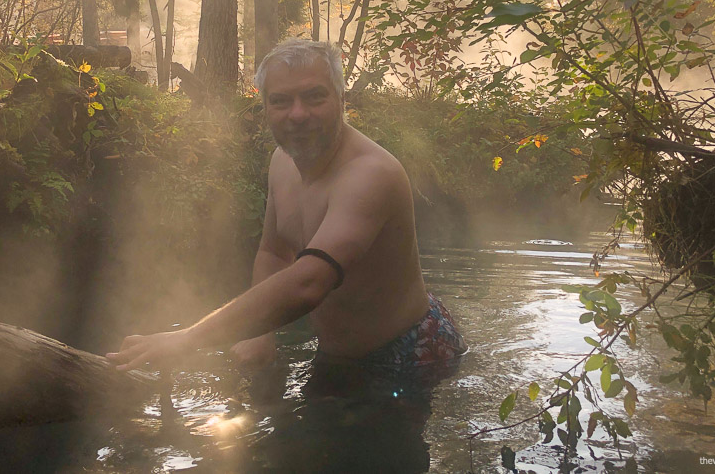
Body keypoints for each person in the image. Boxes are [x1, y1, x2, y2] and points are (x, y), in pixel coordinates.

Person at [107, 39, 467, 387]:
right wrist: (260, 334)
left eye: (314, 97)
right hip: (335, 355)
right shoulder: (282, 161)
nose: (297, 114)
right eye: (281, 101)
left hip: (410, 359)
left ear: (341, 99)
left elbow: (309, 282)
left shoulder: (371, 174)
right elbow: (275, 252)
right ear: (265, 107)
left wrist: (186, 339)